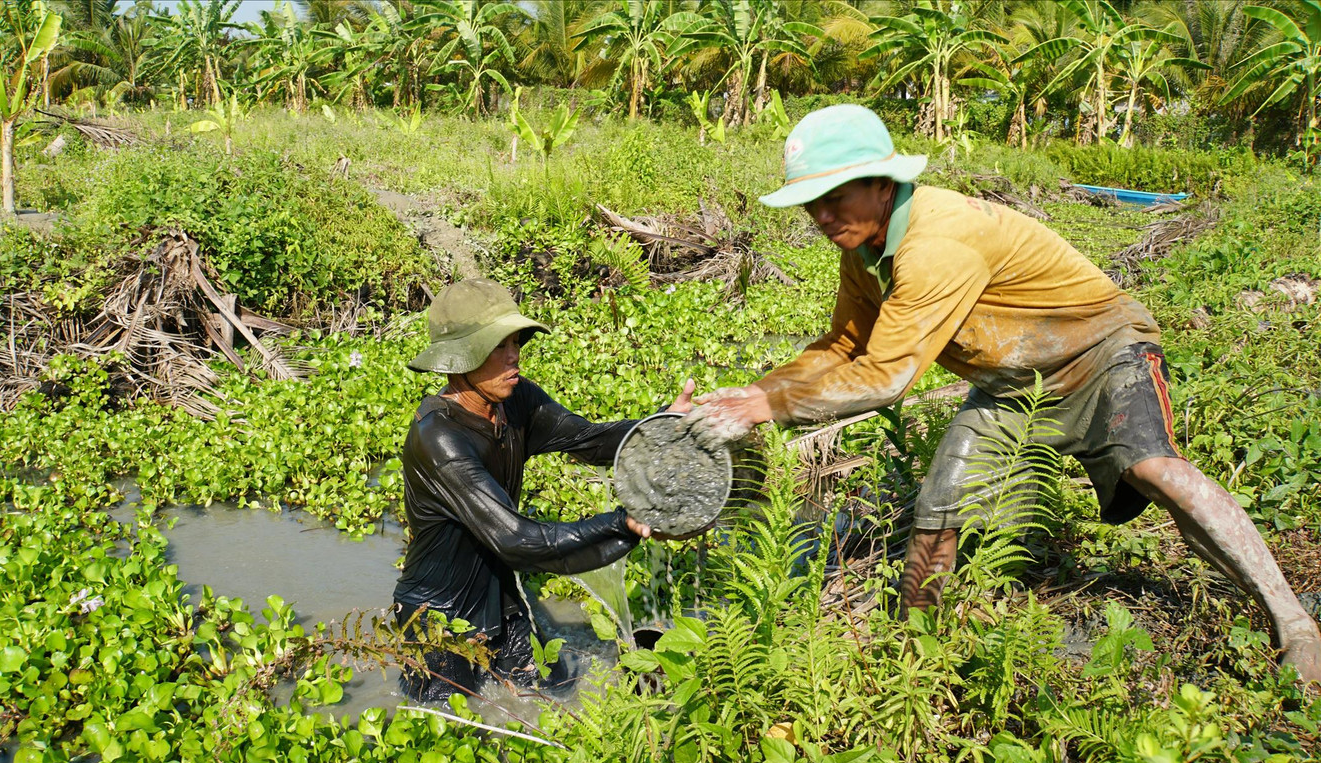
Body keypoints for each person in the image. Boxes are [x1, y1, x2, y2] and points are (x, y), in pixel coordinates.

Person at [685, 104, 1321, 682]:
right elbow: (842, 349)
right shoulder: (864, 251)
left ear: (883, 184)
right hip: (1014, 380)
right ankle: (914, 651)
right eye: (808, 204)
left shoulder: (936, 245)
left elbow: (886, 378)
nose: (820, 217)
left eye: (832, 197)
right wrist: (749, 395)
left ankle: (1293, 623)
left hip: (1100, 349)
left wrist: (765, 408)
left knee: (1156, 470)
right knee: (940, 502)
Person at [394, 278, 692, 700]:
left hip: (499, 600)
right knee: (451, 725)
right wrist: (622, 523)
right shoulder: (439, 438)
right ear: (460, 357)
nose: (514, 356)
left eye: (516, 342)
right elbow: (516, 540)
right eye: (499, 346)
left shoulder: (516, 402)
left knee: (551, 696)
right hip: (438, 618)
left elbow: (589, 441)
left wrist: (663, 422)